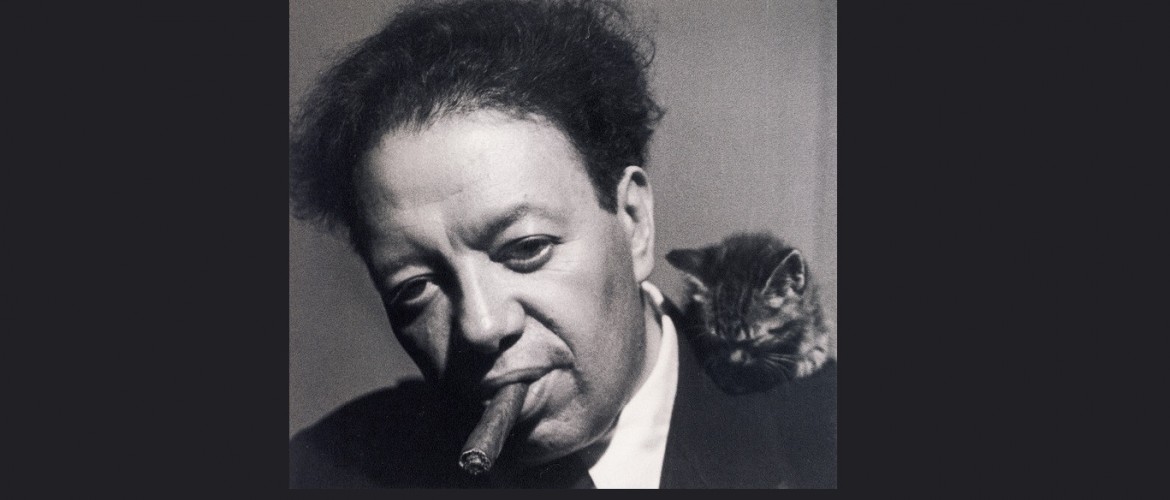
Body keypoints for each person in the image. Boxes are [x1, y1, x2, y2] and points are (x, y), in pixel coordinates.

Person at [289, 0, 835, 488]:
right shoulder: (317, 474)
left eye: (526, 248)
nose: (480, 326)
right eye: (414, 287)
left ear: (634, 222)